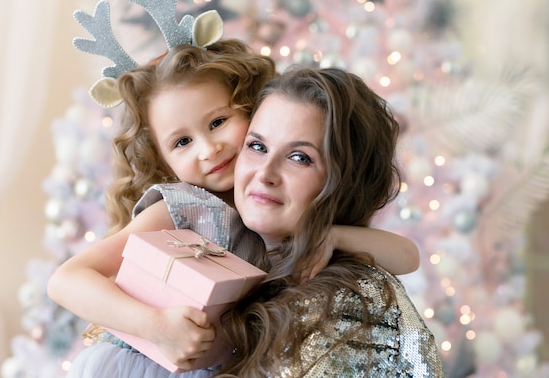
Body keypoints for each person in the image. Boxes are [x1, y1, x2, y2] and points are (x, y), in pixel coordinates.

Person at [48, 41, 421, 378]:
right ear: (163, 159)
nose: (209, 149)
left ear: (248, 110)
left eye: (218, 122)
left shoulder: (281, 225)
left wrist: (333, 235)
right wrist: (157, 326)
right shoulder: (185, 209)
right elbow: (67, 279)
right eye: (182, 142)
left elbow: (408, 255)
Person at [217, 66, 445, 377]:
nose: (265, 174)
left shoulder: (350, 304)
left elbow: (409, 255)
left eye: (300, 157)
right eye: (257, 146)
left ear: (345, 182)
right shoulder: (218, 244)